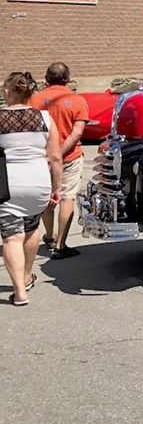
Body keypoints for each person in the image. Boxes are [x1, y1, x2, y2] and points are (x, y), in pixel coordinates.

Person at [1, 72, 63, 306]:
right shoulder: (45, 118)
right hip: (38, 183)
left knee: (11, 238)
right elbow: (55, 157)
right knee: (30, 228)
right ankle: (26, 276)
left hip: (8, 184)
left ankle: (19, 292)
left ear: (7, 91)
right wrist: (56, 187)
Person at [30, 62, 89, 259]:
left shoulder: (34, 100)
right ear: (68, 78)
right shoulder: (77, 101)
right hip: (69, 157)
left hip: (42, 158)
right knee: (67, 197)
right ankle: (60, 244)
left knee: (47, 198)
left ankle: (49, 235)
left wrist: (48, 156)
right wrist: (60, 153)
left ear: (46, 78)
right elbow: (76, 133)